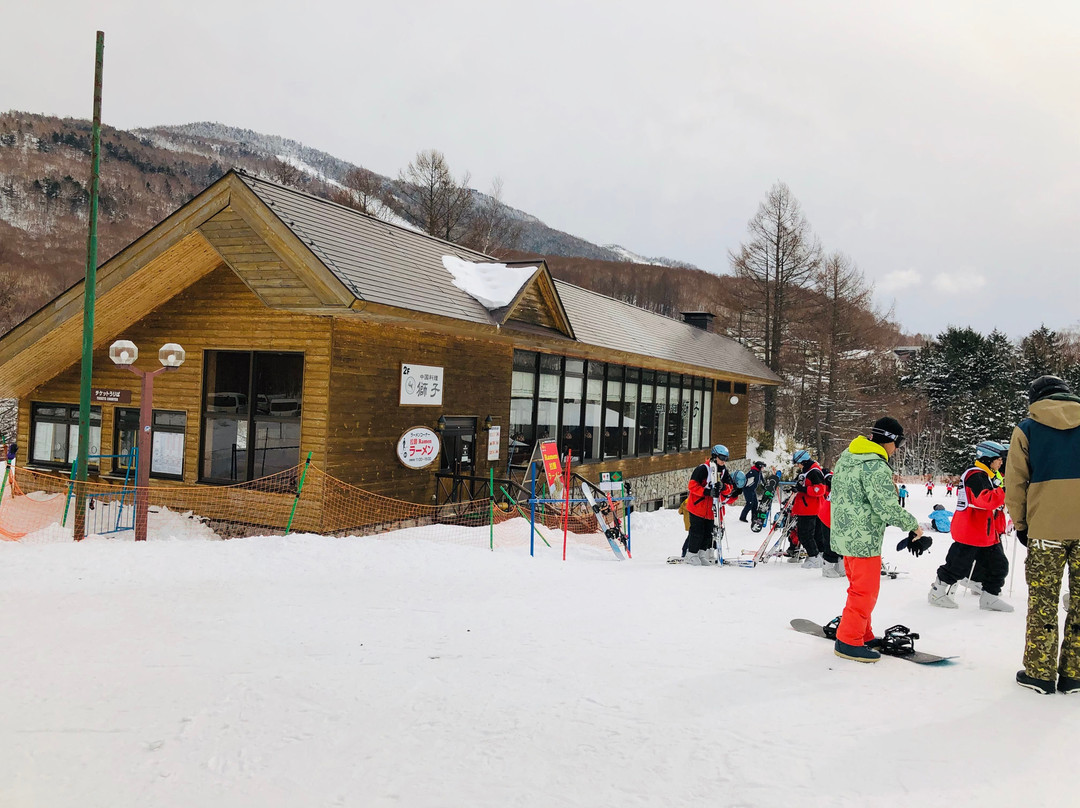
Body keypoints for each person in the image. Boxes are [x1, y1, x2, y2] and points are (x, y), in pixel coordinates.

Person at [1005, 375, 1080, 695]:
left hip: (1046, 529)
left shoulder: (1027, 428)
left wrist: (1021, 524)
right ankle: (1075, 673)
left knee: (1043, 601)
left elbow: (1015, 482)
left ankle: (1040, 673)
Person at [829, 416, 921, 662]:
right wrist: (913, 526)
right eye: (899, 443)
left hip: (845, 536)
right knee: (865, 592)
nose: (897, 449)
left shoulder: (848, 457)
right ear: (889, 440)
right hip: (863, 539)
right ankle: (848, 640)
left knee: (859, 589)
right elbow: (886, 507)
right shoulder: (875, 465)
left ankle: (862, 633)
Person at [927, 441, 1013, 612]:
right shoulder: (976, 475)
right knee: (958, 565)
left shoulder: (987, 475)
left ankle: (989, 596)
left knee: (999, 565)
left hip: (986, 532)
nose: (1001, 462)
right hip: (972, 531)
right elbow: (985, 500)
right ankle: (937, 591)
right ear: (988, 458)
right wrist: (1006, 490)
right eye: (998, 459)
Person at [685, 444, 734, 565]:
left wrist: (723, 487)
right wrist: (707, 492)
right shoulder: (703, 469)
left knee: (708, 533)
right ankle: (691, 554)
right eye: (721, 458)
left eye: (726, 459)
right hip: (698, 507)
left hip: (712, 510)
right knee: (697, 532)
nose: (723, 461)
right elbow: (692, 486)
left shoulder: (724, 472)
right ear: (715, 456)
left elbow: (730, 488)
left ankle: (702, 554)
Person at [791, 450, 831, 569]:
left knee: (805, 534)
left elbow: (820, 490)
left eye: (798, 463)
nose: (798, 466)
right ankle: (818, 555)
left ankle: (814, 557)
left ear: (803, 461)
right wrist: (798, 488)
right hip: (808, 507)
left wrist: (803, 489)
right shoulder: (808, 471)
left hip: (810, 508)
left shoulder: (814, 472)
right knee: (814, 534)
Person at [820, 468, 845, 578]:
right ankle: (827, 566)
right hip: (829, 516)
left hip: (837, 516)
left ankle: (840, 565)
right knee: (831, 542)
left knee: (841, 541)